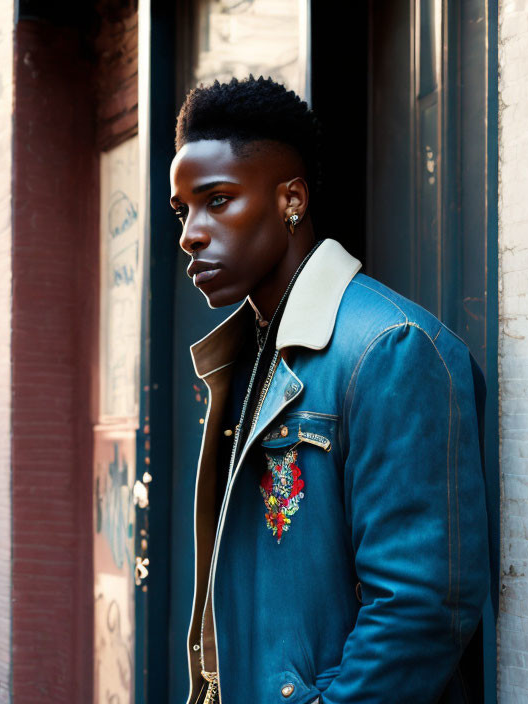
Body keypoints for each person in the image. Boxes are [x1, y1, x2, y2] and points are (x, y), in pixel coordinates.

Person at [169, 75, 491, 704]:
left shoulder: (389, 348)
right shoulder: (245, 353)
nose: (191, 233)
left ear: (292, 198)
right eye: (184, 210)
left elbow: (422, 608)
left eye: (219, 200)